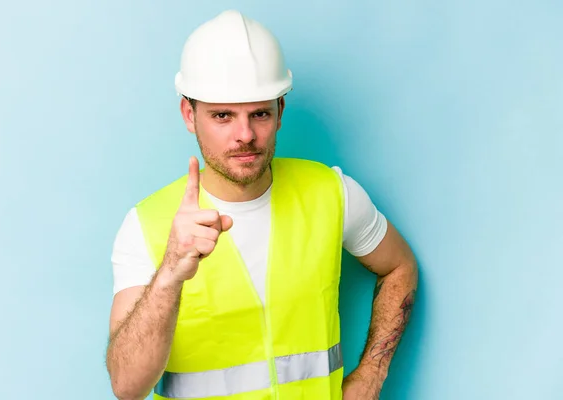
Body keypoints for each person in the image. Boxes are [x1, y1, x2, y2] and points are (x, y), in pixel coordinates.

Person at [105, 9, 418, 400]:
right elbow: (127, 387)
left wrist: (371, 373)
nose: (245, 135)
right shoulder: (146, 226)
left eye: (259, 114)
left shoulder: (331, 192)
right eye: (222, 116)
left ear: (280, 112)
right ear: (190, 114)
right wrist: (169, 273)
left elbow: (400, 266)